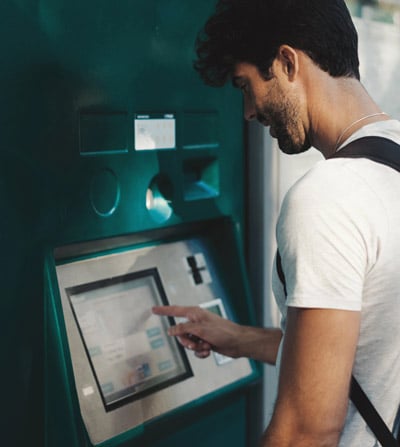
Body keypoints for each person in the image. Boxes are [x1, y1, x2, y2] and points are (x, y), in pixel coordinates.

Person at [153, 0, 400, 445]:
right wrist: (239, 338)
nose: (248, 112)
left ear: (287, 62)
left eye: (246, 86)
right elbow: (360, 350)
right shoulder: (392, 160)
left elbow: (306, 430)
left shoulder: (327, 196)